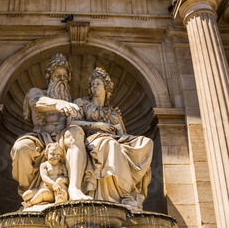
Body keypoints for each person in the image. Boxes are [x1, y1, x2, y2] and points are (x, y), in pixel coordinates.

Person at [11, 53, 91, 201]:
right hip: (41, 137)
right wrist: (58, 104)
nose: (61, 79)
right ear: (49, 77)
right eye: (57, 75)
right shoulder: (37, 93)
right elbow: (37, 103)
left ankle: (74, 188)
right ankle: (29, 192)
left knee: (76, 132)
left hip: (63, 139)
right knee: (20, 147)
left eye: (65, 76)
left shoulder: (74, 102)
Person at [70, 67, 153, 209]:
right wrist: (98, 125)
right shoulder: (81, 103)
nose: (94, 87)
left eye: (98, 84)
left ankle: (127, 188)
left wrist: (120, 133)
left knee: (146, 142)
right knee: (111, 145)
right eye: (92, 84)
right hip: (91, 140)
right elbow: (72, 123)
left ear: (106, 89)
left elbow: (122, 135)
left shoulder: (113, 113)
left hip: (114, 140)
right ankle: (122, 193)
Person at [22, 143, 68, 209]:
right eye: (52, 154)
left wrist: (63, 178)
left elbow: (67, 180)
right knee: (25, 196)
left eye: (58, 154)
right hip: (44, 187)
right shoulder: (44, 165)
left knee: (42, 193)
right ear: (47, 154)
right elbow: (44, 177)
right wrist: (53, 184)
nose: (55, 156)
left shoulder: (61, 166)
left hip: (53, 192)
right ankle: (34, 199)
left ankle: (29, 203)